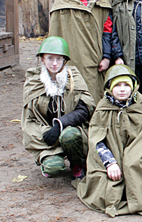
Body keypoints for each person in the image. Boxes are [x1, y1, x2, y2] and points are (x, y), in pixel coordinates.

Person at [77, 65, 142, 217]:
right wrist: (110, 162)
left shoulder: (141, 106)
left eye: (126, 85)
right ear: (110, 88)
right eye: (117, 85)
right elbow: (96, 140)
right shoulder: (102, 109)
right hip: (110, 158)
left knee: (139, 176)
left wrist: (129, 160)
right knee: (105, 192)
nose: (122, 89)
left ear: (133, 87)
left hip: (137, 157)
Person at [22, 36, 95, 180]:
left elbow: (84, 109)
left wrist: (60, 125)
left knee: (70, 136)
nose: (54, 63)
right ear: (42, 59)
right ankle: (51, 158)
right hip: (45, 133)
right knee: (54, 168)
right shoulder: (34, 80)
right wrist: (47, 132)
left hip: (72, 130)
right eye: (50, 58)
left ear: (64, 60)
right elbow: (29, 119)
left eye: (59, 59)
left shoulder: (73, 77)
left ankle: (77, 163)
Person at [49, 0, 114, 101]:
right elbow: (55, 33)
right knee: (71, 96)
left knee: (94, 96)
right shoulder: (62, 1)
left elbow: (107, 31)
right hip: (71, 60)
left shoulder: (100, 0)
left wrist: (107, 57)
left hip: (95, 61)